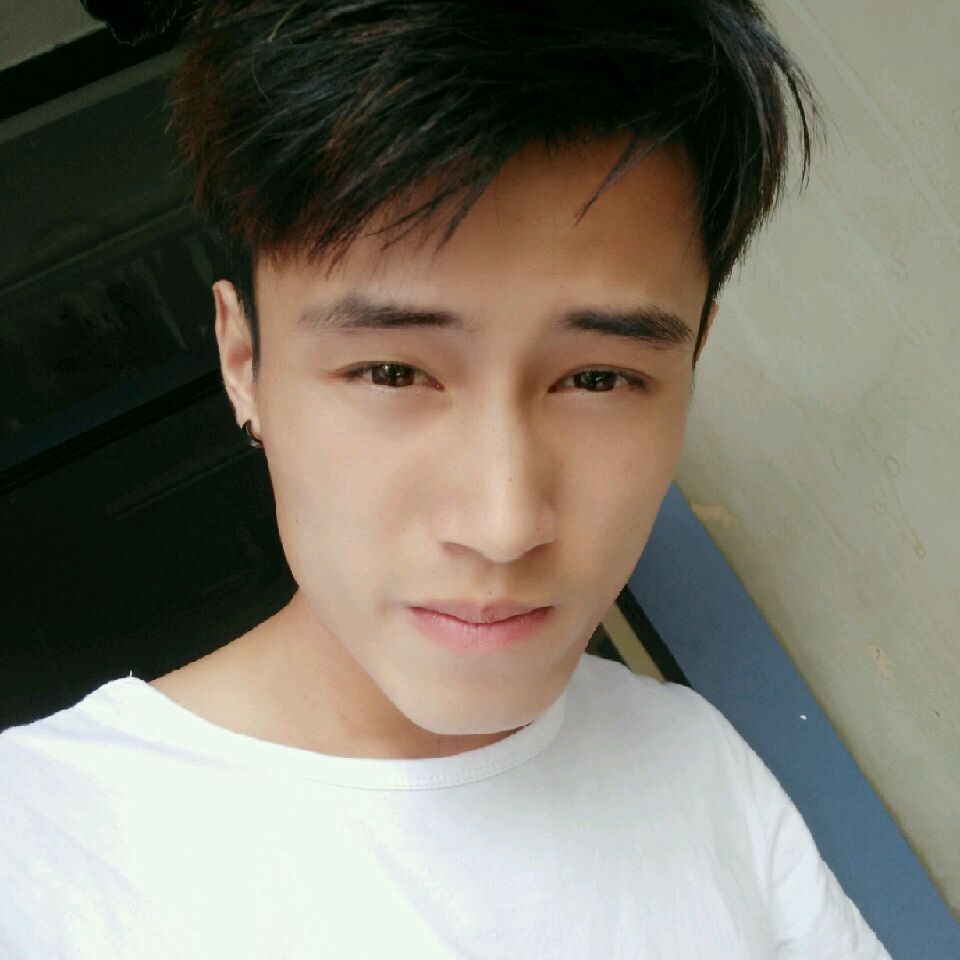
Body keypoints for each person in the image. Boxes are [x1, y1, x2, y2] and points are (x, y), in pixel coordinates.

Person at [1, 2, 893, 957]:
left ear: (693, 359)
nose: (503, 524)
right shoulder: (41, 851)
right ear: (243, 361)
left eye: (598, 378)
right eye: (392, 372)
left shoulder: (695, 763)